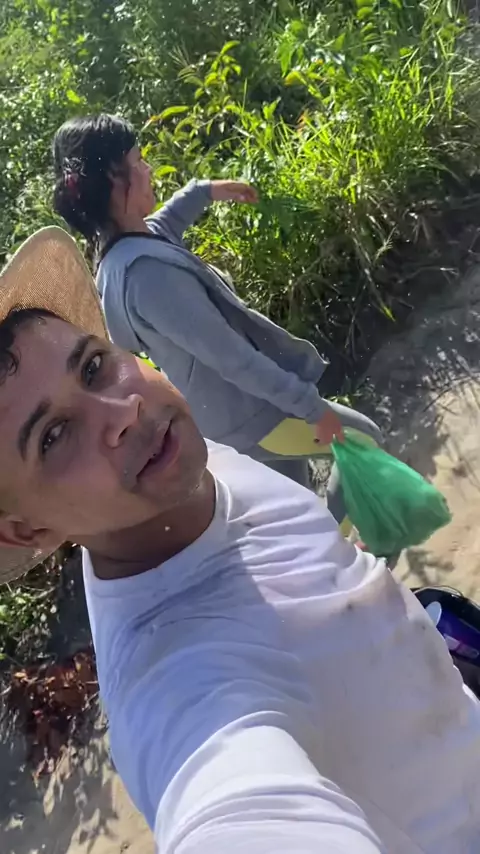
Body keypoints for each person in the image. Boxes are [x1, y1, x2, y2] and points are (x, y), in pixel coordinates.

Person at [0, 225, 479, 854]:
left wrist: (343, 581)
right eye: (54, 436)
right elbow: (235, 800)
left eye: (93, 367)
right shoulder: (180, 691)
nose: (121, 414)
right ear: (27, 529)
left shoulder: (180, 463)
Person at [52, 113, 382, 535]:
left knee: (294, 505)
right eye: (138, 161)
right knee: (364, 441)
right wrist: (312, 408)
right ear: (115, 180)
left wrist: (205, 191)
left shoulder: (123, 250)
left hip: (230, 411)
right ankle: (337, 556)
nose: (148, 169)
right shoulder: (150, 278)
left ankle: (317, 556)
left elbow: (165, 224)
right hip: (251, 411)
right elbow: (233, 359)